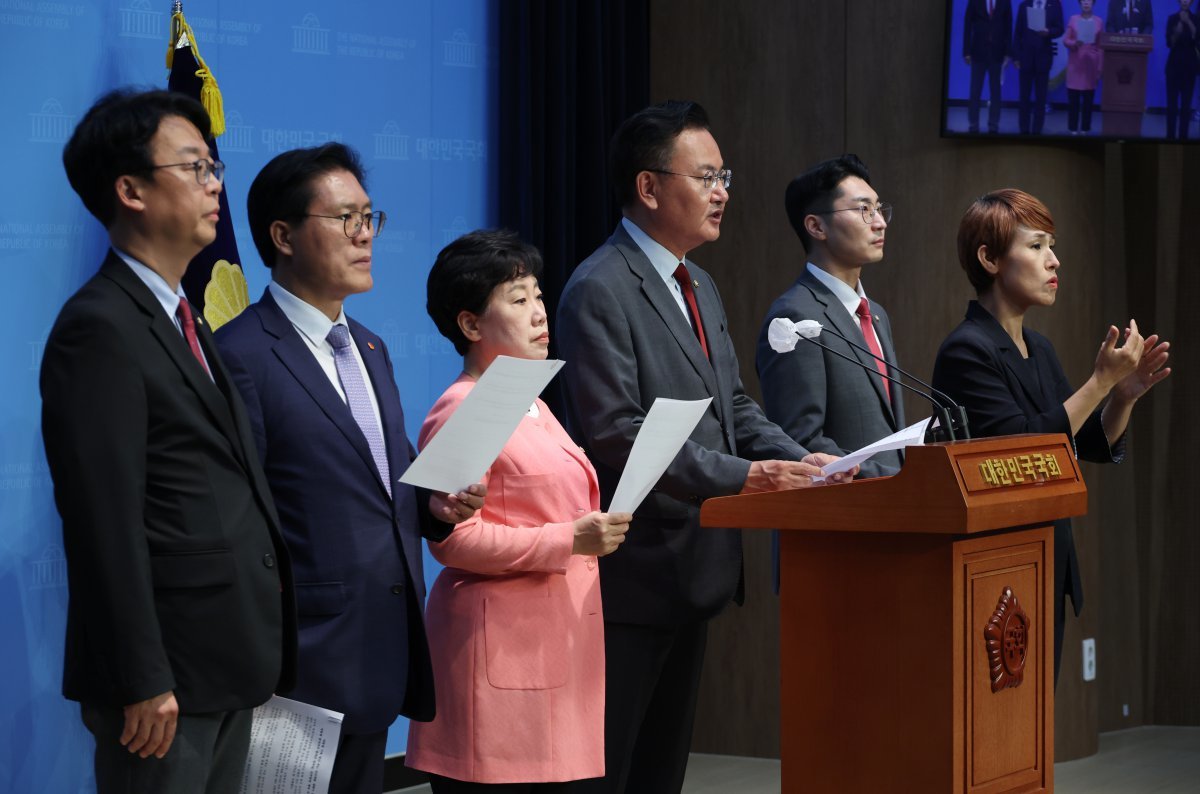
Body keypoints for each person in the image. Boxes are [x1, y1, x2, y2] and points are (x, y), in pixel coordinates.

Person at [556, 100, 850, 794]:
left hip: (696, 569)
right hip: (637, 575)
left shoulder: (700, 282)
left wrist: (799, 459)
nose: (722, 192)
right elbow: (621, 438)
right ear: (650, 187)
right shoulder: (599, 289)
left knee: (661, 773)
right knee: (614, 772)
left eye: (726, 176)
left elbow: (734, 404)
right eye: (707, 175)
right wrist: (749, 477)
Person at [40, 88, 297, 794]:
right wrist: (142, 676)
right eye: (195, 167)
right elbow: (102, 519)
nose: (217, 185)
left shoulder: (187, 315)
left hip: (225, 662)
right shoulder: (99, 327)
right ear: (131, 190)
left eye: (214, 167)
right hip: (165, 685)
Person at [214, 143, 485, 794]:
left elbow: (386, 483)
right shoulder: (240, 355)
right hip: (299, 669)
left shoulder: (370, 345)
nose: (365, 234)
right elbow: (238, 521)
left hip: (381, 653)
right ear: (282, 235)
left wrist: (435, 506)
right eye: (344, 219)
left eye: (371, 217)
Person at [405, 230, 633, 792]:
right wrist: (567, 540)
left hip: (555, 649)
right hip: (501, 660)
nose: (539, 313)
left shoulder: (528, 399)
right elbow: (451, 541)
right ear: (470, 325)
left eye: (537, 295)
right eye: (518, 299)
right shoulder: (463, 408)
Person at [932, 189, 1170, 682]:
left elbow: (1084, 445)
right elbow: (1023, 449)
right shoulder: (966, 350)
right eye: (1037, 246)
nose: (1054, 260)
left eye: (1052, 246)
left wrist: (1122, 395)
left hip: (1045, 558)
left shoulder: (1038, 347)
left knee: (1037, 726)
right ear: (990, 258)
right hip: (995, 567)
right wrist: (1099, 382)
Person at [757, 154, 905, 480]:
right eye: (864, 209)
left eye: (879, 209)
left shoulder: (874, 314)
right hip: (840, 514)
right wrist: (891, 480)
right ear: (816, 226)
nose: (879, 221)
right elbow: (801, 440)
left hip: (895, 511)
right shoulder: (794, 316)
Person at [1013, 0, 1066, 135]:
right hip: (1026, 58)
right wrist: (1017, 57)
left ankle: (1037, 130)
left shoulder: (1054, 5)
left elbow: (1060, 29)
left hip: (1043, 58)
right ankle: (1023, 129)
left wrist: (1049, 32)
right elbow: (1018, 33)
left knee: (1040, 97)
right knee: (1024, 96)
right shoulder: (1024, 5)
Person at [963, 0, 1014, 133]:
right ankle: (973, 124)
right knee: (975, 91)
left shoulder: (1005, 2)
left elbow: (1009, 27)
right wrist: (966, 51)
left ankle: (993, 124)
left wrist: (1008, 52)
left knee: (995, 92)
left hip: (997, 53)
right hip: (978, 52)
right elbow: (967, 24)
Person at [1064, 1, 1104, 135]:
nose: (1086, 3)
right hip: (1076, 62)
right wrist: (1075, 43)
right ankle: (1073, 128)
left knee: (1088, 101)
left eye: (1089, 1)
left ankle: (1086, 129)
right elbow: (1066, 40)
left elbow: (1100, 47)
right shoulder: (1073, 19)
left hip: (1090, 64)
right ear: (1080, 4)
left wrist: (1099, 68)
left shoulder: (1099, 21)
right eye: (1083, 1)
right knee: (1073, 100)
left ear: (1093, 4)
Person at [1166, 0, 1199, 140]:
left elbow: (1198, 39)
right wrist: (1177, 31)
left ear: (1191, 2)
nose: (1185, 1)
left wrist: (1189, 23)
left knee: (1186, 107)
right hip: (1173, 67)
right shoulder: (1172, 18)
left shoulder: (1196, 19)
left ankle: (1183, 139)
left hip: (1190, 68)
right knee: (1172, 107)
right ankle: (1170, 137)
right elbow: (1169, 43)